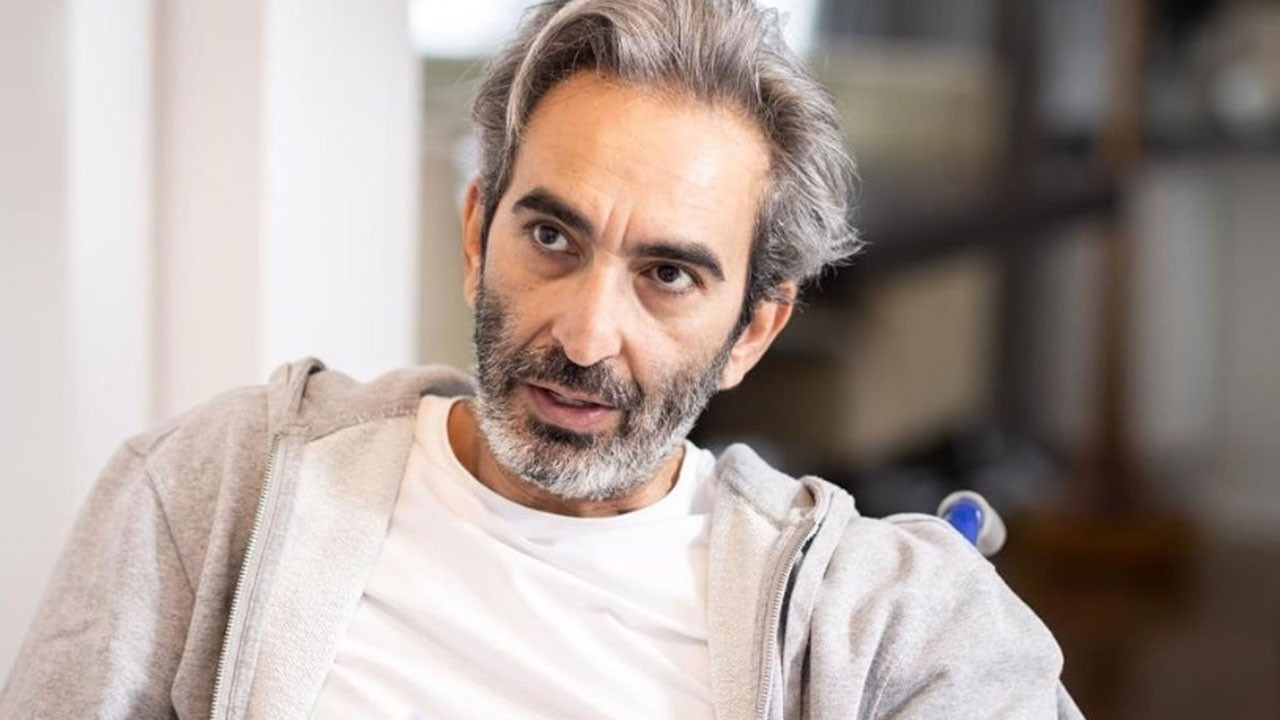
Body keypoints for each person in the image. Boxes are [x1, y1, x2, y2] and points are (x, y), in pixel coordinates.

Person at [1, 0, 1084, 718]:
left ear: (753, 330)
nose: (582, 336)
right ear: (479, 233)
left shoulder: (887, 623)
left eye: (668, 275)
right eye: (552, 237)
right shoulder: (216, 495)